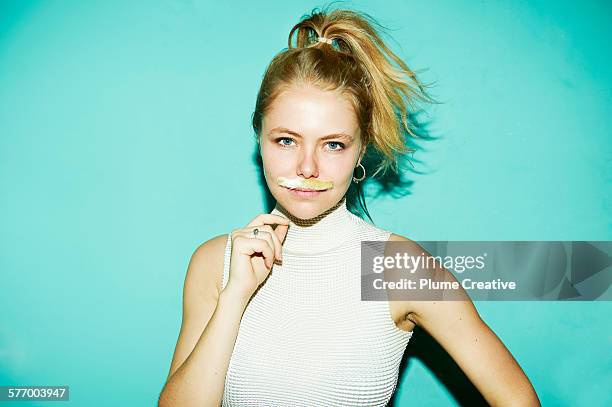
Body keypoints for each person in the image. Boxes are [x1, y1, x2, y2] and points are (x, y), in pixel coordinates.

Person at [158, 6, 540, 407]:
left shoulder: (396, 267)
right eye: (286, 140)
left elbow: (516, 397)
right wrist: (236, 294)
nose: (307, 167)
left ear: (360, 150)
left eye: (333, 144)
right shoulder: (214, 262)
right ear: (259, 141)